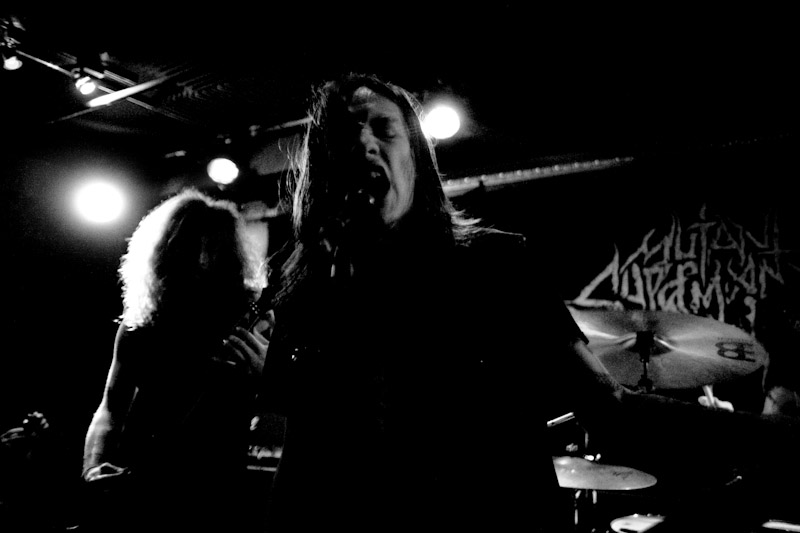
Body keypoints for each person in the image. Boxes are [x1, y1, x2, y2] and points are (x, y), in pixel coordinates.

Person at [255, 72, 662, 533]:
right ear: (325, 165)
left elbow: (604, 401)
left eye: (384, 130)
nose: (364, 144)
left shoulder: (497, 263)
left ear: (416, 158)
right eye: (345, 135)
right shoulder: (305, 287)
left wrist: (724, 437)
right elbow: (298, 451)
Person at [81, 187, 274, 533]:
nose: (199, 260)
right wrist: (93, 468)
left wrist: (267, 374)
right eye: (187, 247)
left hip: (213, 493)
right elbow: (110, 408)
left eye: (210, 248)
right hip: (137, 486)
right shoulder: (140, 324)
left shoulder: (251, 318)